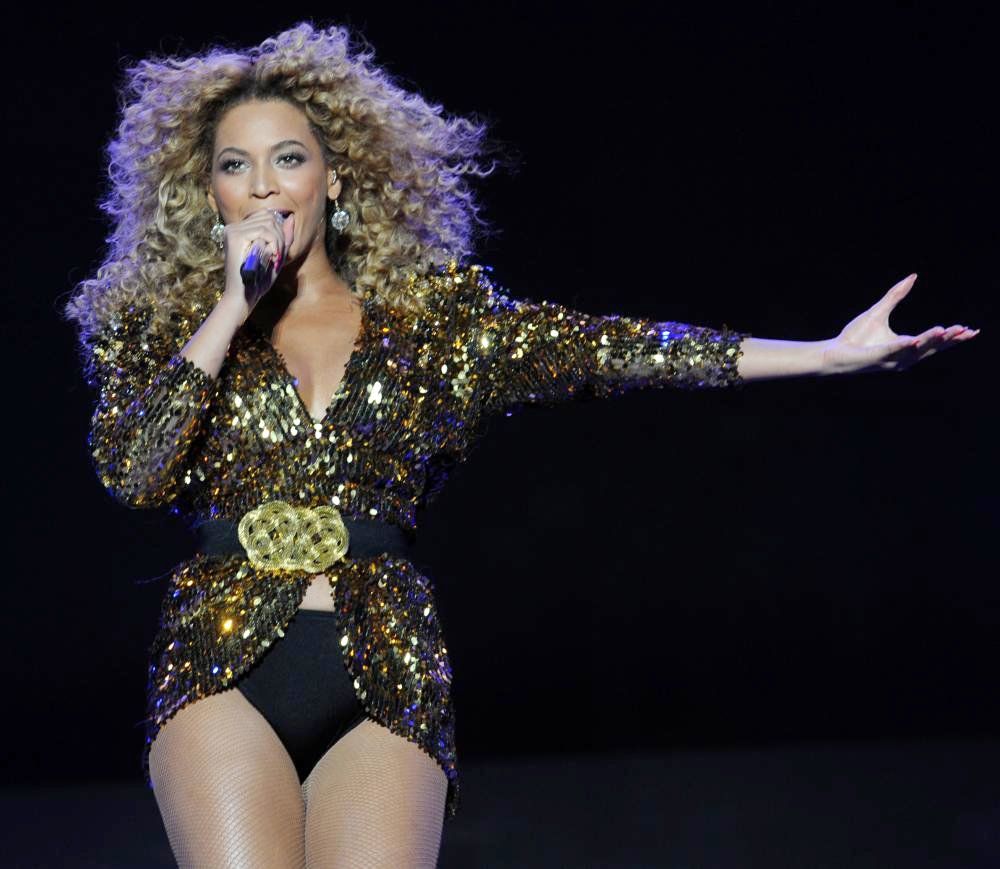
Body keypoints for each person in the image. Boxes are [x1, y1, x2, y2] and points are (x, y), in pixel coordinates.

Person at [61, 20, 979, 869]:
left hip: (386, 661)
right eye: (236, 165)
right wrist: (231, 307)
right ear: (211, 194)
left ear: (333, 179)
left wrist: (825, 354)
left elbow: (616, 350)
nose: (263, 184)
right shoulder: (166, 327)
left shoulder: (440, 324)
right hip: (220, 660)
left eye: (288, 157)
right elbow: (131, 470)